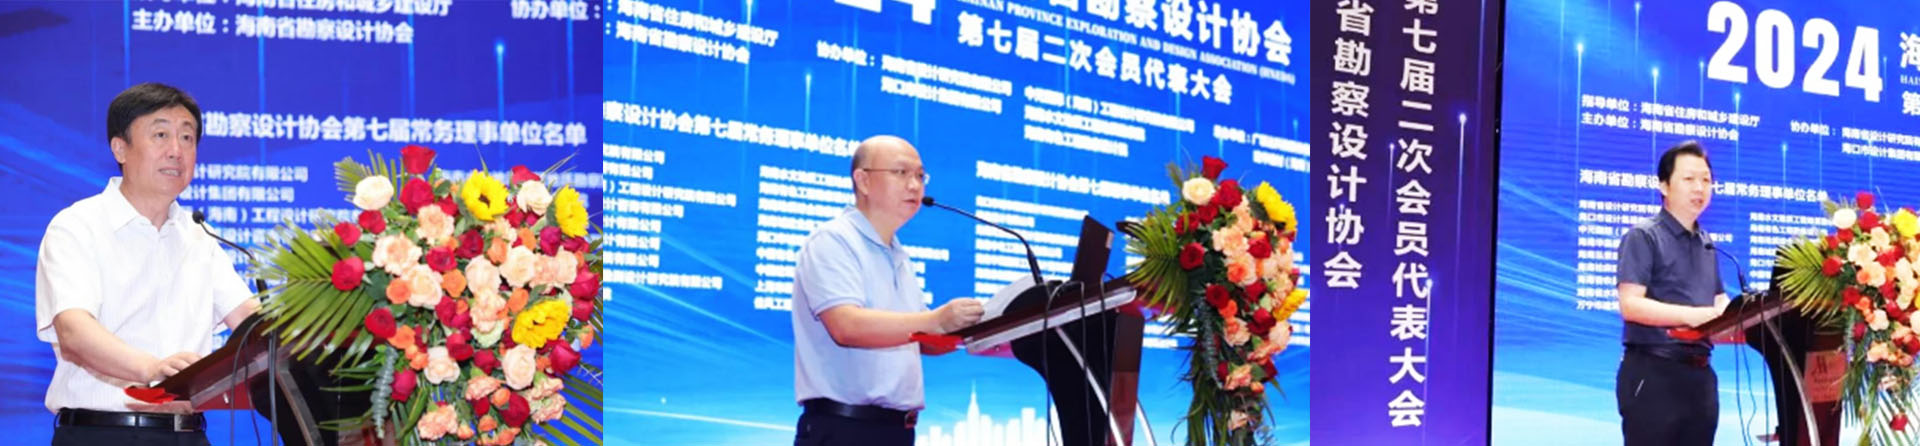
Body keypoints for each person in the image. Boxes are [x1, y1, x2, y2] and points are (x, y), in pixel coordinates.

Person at [35, 82, 260, 446]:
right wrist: (151, 370)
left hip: (189, 435)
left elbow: (251, 324)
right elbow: (74, 332)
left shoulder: (200, 238)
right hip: (102, 435)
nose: (176, 151)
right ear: (120, 148)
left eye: (187, 138)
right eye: (160, 135)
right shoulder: (77, 227)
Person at [790, 135, 985, 446]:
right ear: (863, 181)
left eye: (920, 176)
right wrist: (935, 319)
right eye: (901, 173)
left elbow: (921, 340)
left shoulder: (899, 255)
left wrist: (982, 329)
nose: (915, 185)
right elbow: (846, 326)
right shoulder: (833, 241)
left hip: (897, 431)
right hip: (845, 430)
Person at [1615, 140, 1731, 445]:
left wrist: (1741, 313)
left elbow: (1718, 301)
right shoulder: (1643, 236)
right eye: (1689, 179)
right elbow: (1630, 305)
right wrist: (1696, 317)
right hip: (1654, 374)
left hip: (1701, 377)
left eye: (1706, 180)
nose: (1700, 188)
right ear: (1664, 185)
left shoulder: (1706, 242)